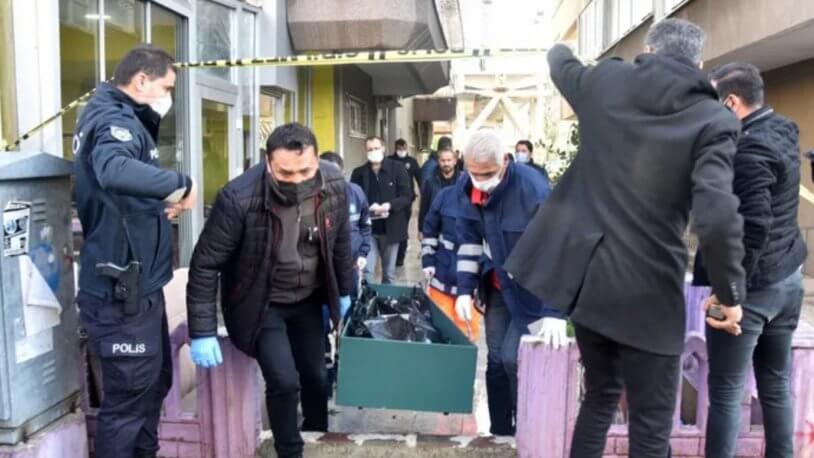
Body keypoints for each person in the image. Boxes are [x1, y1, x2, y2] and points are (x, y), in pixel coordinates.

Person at [504, 19, 747, 457]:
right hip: (651, 294)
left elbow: (560, 63)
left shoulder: (606, 82)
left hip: (591, 283)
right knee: (651, 426)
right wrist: (729, 294)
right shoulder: (714, 120)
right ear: (699, 65)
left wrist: (559, 46)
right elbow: (715, 217)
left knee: (599, 397)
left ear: (649, 51)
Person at [186, 123, 353, 458]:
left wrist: (345, 291)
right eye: (285, 173)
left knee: (317, 377)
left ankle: (316, 436)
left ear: (316, 161)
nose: (296, 181)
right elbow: (205, 264)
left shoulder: (334, 184)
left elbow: (340, 243)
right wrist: (202, 330)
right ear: (268, 163)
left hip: (308, 299)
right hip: (261, 304)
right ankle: (289, 451)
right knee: (284, 380)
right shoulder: (238, 198)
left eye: (305, 171)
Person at [73, 45, 197, 458]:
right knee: (128, 402)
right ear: (141, 80)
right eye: (167, 87)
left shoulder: (118, 114)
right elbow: (114, 169)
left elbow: (115, 198)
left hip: (139, 288)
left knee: (152, 386)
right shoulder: (115, 119)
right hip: (120, 295)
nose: (169, 96)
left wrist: (154, 206)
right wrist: (180, 183)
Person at [694, 63, 807, 458]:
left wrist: (730, 295)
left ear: (730, 102)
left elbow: (753, 228)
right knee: (775, 385)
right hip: (788, 280)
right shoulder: (783, 129)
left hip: (753, 288)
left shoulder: (746, 151)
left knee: (726, 391)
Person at [454, 129, 567, 436]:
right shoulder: (467, 187)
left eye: (487, 174)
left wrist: (554, 311)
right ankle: (501, 431)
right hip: (497, 286)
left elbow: (557, 250)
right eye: (474, 173)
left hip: (532, 291)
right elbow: (468, 241)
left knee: (514, 359)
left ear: (505, 161)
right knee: (494, 360)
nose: (480, 181)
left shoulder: (532, 189)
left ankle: (528, 429)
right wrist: (464, 290)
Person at [421, 185, 480, 341]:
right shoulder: (446, 195)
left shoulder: (489, 199)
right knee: (439, 331)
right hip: (441, 279)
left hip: (472, 286)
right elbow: (430, 230)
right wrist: (428, 260)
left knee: (466, 337)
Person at [350, 136, 412, 284]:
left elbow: (406, 196)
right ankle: (368, 298)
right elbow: (353, 199)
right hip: (367, 231)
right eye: (370, 149)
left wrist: (389, 205)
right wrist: (367, 209)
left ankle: (386, 298)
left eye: (376, 148)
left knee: (389, 273)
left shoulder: (397, 168)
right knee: (367, 271)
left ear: (383, 148)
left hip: (391, 229)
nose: (373, 151)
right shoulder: (359, 173)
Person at [389, 138, 421, 267]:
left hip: (406, 201)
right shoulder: (389, 161)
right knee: (392, 228)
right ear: (395, 148)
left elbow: (420, 178)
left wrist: (423, 193)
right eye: (399, 149)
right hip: (391, 200)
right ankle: (391, 255)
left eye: (403, 149)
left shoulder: (412, 162)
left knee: (402, 228)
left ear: (406, 148)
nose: (401, 151)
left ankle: (400, 256)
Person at [418, 147, 460, 234]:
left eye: (449, 160)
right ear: (438, 161)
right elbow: (424, 206)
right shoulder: (430, 182)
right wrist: (421, 229)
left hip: (457, 229)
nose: (446, 163)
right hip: (435, 229)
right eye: (443, 160)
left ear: (455, 161)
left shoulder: (462, 181)